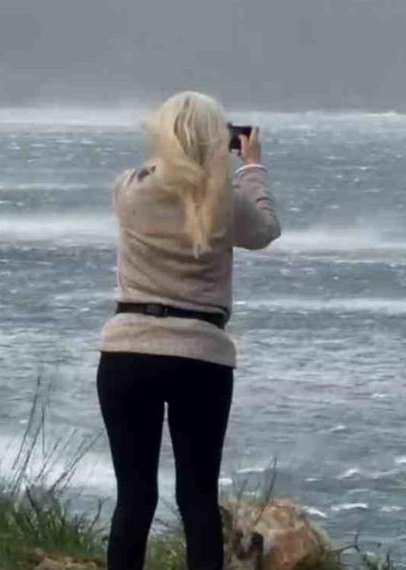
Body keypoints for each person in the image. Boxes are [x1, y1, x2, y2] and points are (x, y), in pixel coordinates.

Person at [96, 92, 280, 570]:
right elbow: (265, 230)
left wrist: (181, 152)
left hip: (127, 353)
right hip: (201, 358)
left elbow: (162, 176)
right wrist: (251, 167)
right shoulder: (224, 200)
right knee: (196, 500)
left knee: (134, 499)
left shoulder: (128, 190)